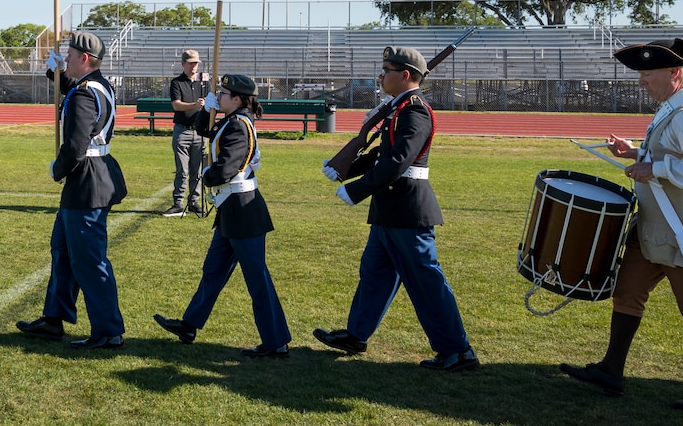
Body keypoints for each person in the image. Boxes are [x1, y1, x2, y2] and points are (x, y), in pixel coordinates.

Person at [560, 38, 683, 413]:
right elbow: (674, 153)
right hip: (654, 229)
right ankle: (611, 370)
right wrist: (636, 152)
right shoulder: (671, 106)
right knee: (627, 293)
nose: (641, 81)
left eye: (647, 74)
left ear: (675, 72)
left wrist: (654, 168)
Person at [314, 45, 479, 371]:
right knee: (374, 274)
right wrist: (348, 167)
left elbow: (399, 161)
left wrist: (357, 189)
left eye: (387, 69)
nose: (381, 74)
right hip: (390, 208)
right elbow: (381, 156)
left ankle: (458, 350)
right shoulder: (398, 108)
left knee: (426, 282)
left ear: (405, 75)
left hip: (407, 208)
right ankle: (356, 335)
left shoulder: (414, 111)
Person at [154, 74, 292, 358]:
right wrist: (207, 109)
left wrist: (207, 175)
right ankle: (190, 325)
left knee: (257, 279)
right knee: (213, 271)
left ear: (238, 99)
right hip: (230, 209)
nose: (220, 96)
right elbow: (201, 128)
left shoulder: (239, 127)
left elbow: (226, 169)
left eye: (224, 93)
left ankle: (276, 340)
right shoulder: (231, 121)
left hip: (243, 209)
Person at [17, 31, 129, 350]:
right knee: (63, 251)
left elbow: (76, 146)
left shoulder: (84, 94)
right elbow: (70, 92)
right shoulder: (97, 85)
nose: (64, 58)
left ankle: (108, 330)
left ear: (83, 59)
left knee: (89, 260)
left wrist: (57, 168)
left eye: (68, 55)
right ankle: (55, 318)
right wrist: (54, 72)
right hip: (90, 178)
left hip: (85, 181)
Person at [163, 49, 210, 217]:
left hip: (199, 132)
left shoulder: (204, 82)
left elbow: (210, 103)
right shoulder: (177, 82)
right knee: (182, 170)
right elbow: (176, 105)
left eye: (195, 63)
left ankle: (194, 202)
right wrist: (194, 105)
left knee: (197, 170)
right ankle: (178, 202)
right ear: (183, 64)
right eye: (190, 63)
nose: (193, 66)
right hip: (182, 131)